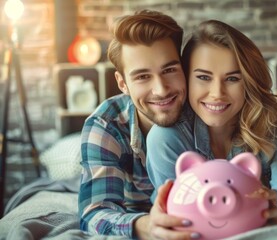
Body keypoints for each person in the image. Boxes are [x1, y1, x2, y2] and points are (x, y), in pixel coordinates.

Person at [146, 19, 277, 230]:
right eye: (203, 77)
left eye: (232, 79)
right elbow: (177, 217)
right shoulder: (166, 138)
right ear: (186, 79)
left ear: (248, 82)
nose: (217, 94)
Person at [78, 10, 200, 240]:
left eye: (170, 70)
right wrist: (148, 226)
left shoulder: (207, 106)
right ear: (123, 83)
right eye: (143, 76)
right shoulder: (105, 126)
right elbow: (93, 213)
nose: (162, 89)